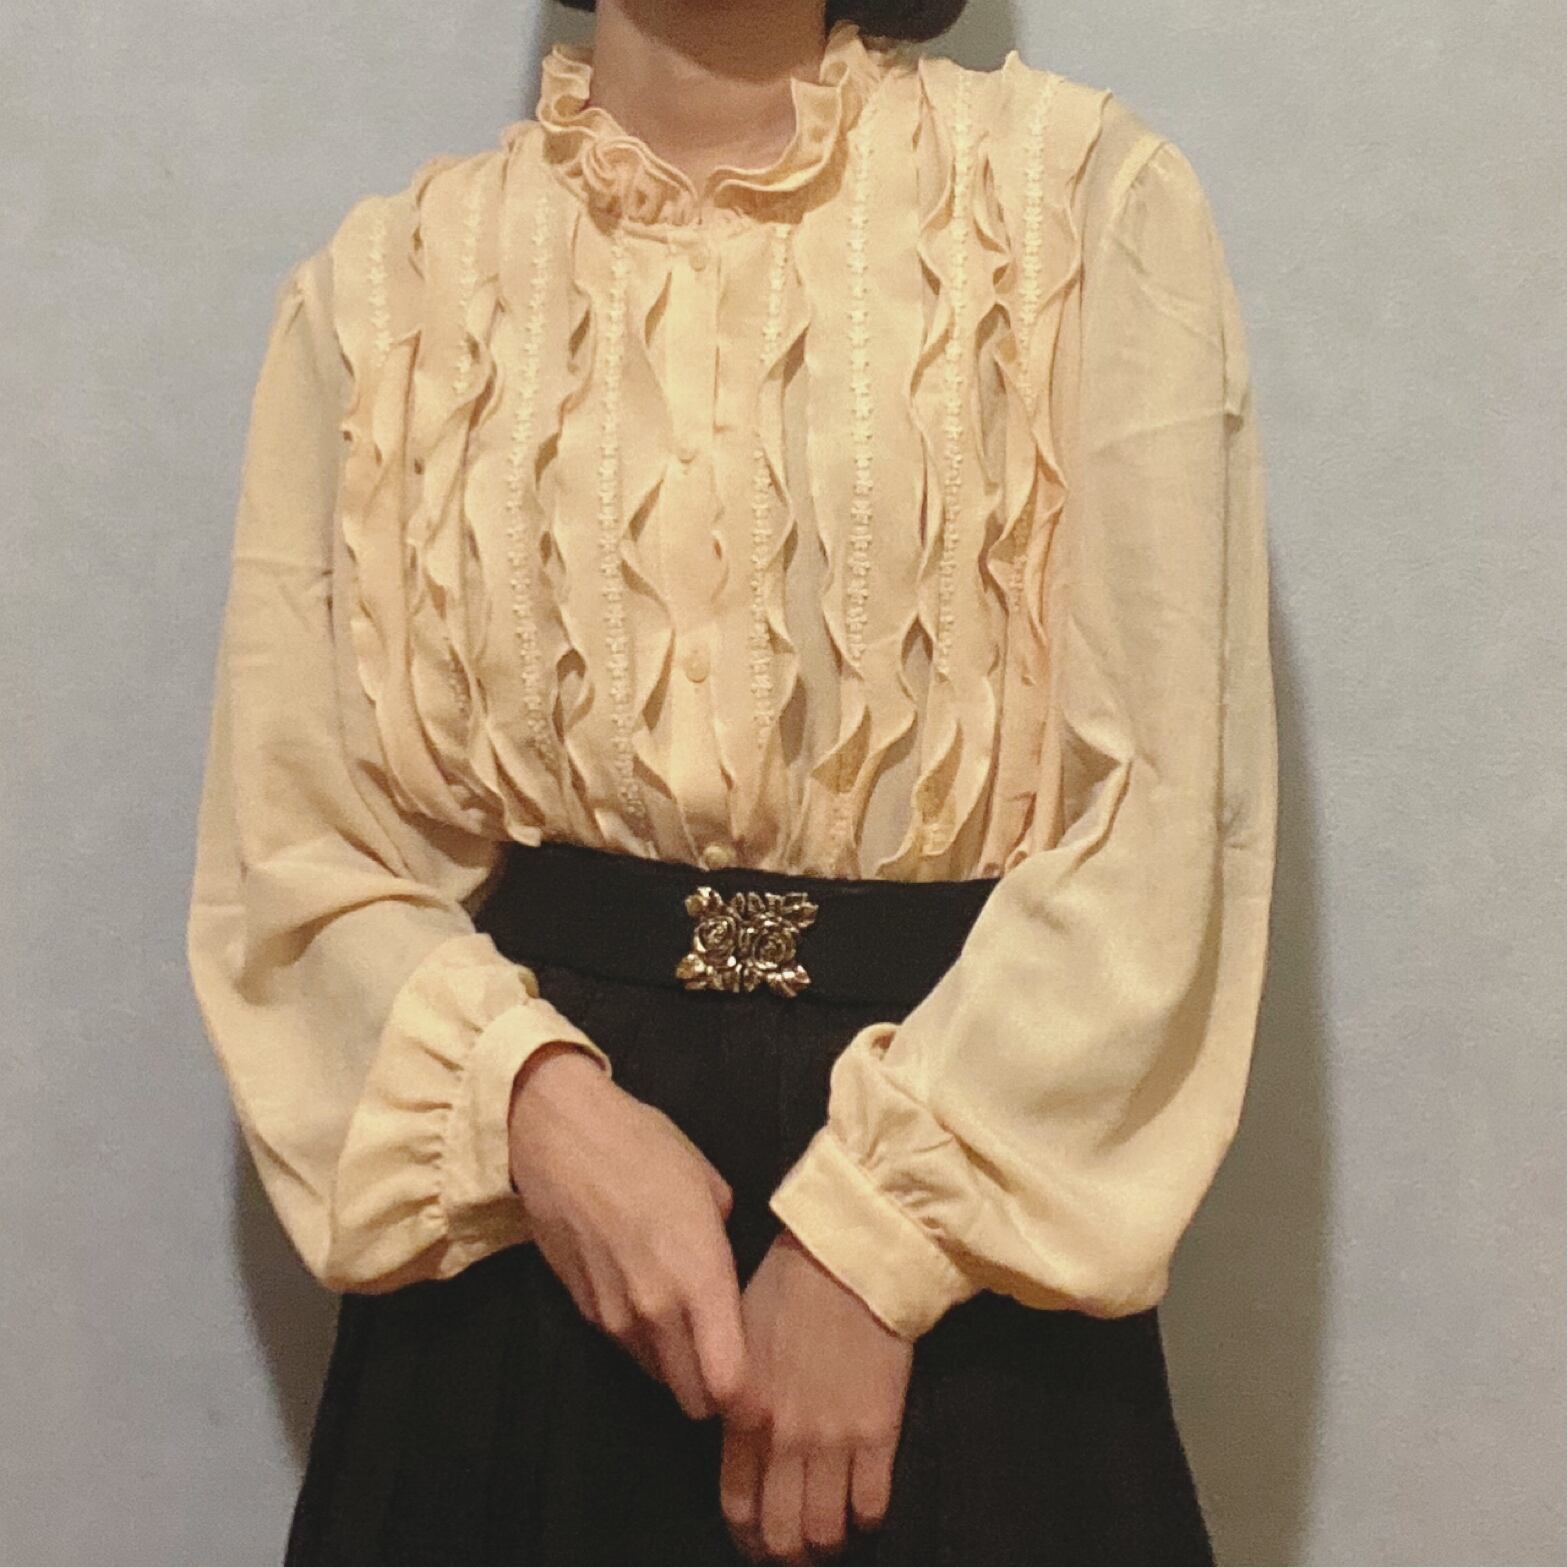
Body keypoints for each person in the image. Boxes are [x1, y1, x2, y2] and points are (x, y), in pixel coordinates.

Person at [185, 0, 1278, 1562]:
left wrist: (873, 1245)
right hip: (535, 1248)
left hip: (979, 1228)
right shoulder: (385, 292)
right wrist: (534, 1116)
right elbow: (296, 856)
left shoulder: (1082, 208)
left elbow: (1162, 821)